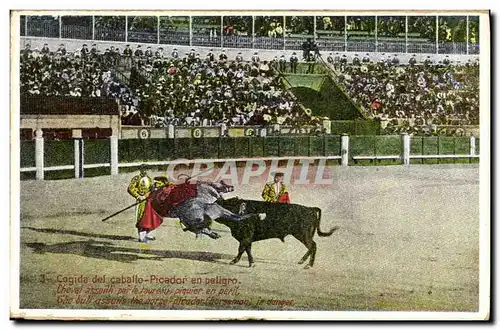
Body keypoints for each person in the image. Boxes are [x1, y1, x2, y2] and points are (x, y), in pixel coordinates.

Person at [127, 165, 163, 243]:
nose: (145, 171)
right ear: (140, 170)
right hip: (141, 201)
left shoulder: (149, 179)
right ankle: (141, 236)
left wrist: (155, 188)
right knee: (141, 217)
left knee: (149, 217)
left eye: (147, 169)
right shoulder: (137, 178)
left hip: (148, 201)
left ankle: (147, 233)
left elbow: (151, 189)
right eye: (143, 170)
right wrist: (138, 196)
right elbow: (130, 188)